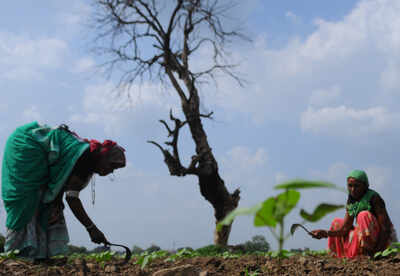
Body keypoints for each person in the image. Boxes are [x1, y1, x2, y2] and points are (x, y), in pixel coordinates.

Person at [1, 122, 126, 260]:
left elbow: (59, 177)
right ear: (102, 157)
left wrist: (57, 201)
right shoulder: (84, 158)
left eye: (115, 169)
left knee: (52, 208)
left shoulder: (87, 160)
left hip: (38, 152)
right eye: (111, 165)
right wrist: (91, 229)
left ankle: (44, 256)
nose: (111, 171)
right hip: (27, 145)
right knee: (27, 199)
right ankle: (15, 256)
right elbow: (72, 198)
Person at [310, 170, 397, 258]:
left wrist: (378, 252)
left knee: (363, 215)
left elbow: (385, 227)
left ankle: (368, 253)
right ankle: (342, 255)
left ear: (365, 186)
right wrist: (325, 233)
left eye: (357, 186)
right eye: (350, 186)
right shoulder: (351, 200)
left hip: (382, 239)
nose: (353, 189)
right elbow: (344, 228)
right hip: (365, 236)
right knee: (337, 222)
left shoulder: (374, 198)